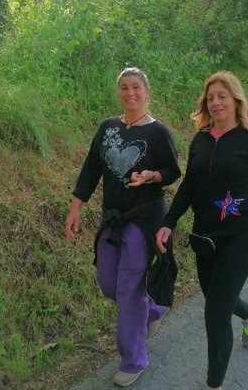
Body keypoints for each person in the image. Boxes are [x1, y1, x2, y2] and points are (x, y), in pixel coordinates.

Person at [155, 71, 248, 390]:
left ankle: (214, 384)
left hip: (241, 236)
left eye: (222, 96)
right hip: (205, 237)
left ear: (236, 100)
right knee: (217, 298)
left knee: (215, 313)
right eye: (210, 98)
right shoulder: (201, 140)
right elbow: (189, 186)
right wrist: (169, 221)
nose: (216, 102)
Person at [64, 67, 181, 387]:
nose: (130, 93)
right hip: (113, 218)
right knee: (108, 283)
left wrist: (151, 176)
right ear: (119, 92)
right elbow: (91, 169)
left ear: (147, 91)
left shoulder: (158, 132)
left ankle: (133, 359)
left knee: (129, 288)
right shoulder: (107, 127)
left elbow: (172, 171)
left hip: (144, 220)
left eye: (136, 88)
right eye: (125, 88)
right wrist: (75, 209)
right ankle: (152, 311)